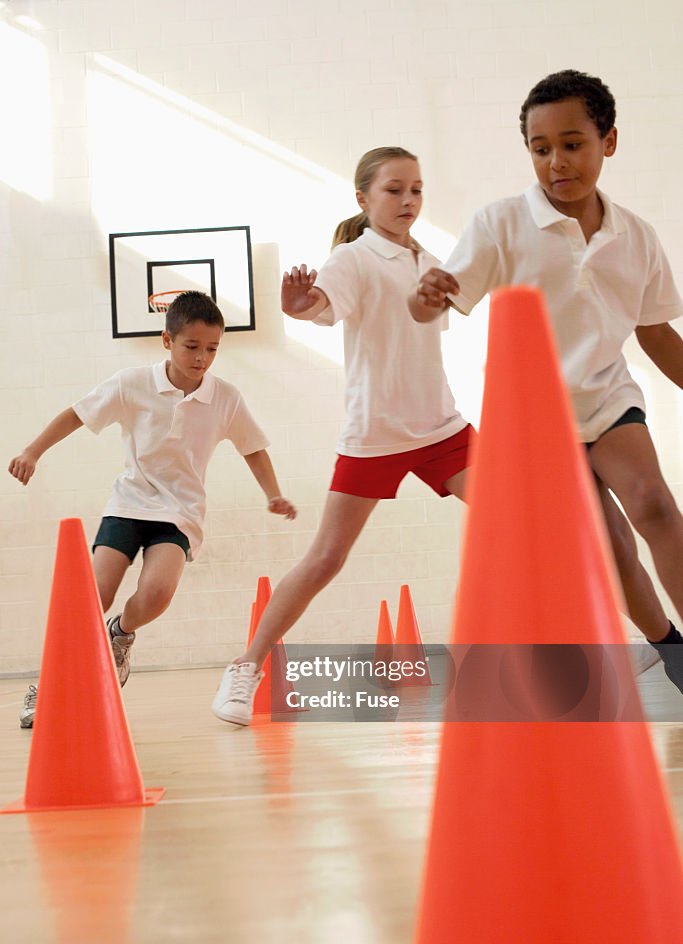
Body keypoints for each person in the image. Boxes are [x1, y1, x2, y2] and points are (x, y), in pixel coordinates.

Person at [410, 69, 683, 695]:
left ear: (608, 141)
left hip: (609, 401)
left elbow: (657, 334)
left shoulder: (635, 235)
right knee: (610, 542)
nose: (556, 161)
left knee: (655, 505)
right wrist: (426, 297)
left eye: (573, 143)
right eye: (540, 148)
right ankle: (669, 648)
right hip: (535, 418)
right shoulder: (500, 223)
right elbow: (437, 305)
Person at [211, 146, 475, 726]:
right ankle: (245, 667)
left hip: (442, 428)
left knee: (518, 518)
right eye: (394, 190)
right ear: (363, 199)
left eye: (416, 190)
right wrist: (295, 302)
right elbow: (316, 305)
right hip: (374, 434)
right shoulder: (353, 260)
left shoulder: (429, 259)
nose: (408, 200)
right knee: (326, 559)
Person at [9, 290, 296, 728]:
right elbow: (76, 414)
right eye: (192, 347)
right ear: (167, 340)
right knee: (91, 596)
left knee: (158, 593)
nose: (203, 358)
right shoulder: (132, 383)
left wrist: (272, 493)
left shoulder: (226, 397)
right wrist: (33, 451)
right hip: (128, 503)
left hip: (179, 513)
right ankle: (47, 683)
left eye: (212, 349)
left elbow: (253, 448)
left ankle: (120, 634)